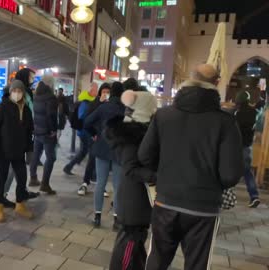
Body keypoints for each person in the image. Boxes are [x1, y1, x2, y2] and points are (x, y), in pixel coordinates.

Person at [140, 64, 244, 270]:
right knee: (197, 264)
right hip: (203, 209)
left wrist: (163, 175)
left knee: (157, 260)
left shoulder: (164, 115)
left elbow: (144, 156)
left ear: (189, 79)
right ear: (216, 83)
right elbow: (230, 174)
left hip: (166, 201)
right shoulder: (225, 122)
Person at [105, 90, 157, 270]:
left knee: (135, 241)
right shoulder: (132, 136)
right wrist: (156, 177)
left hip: (135, 198)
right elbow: (130, 169)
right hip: (133, 199)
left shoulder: (135, 133)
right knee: (130, 242)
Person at [0, 79, 35, 223]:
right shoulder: (1, 108)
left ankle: (20, 204)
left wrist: (29, 151)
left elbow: (29, 132)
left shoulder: (26, 110)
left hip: (18, 151)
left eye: (19, 91)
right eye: (14, 91)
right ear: (10, 92)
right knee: (1, 178)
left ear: (23, 93)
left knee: (22, 178)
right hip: (2, 151)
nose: (17, 93)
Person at [84, 82, 126, 228]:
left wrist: (95, 134)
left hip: (102, 147)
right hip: (119, 150)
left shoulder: (103, 107)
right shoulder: (126, 110)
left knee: (100, 183)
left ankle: (97, 216)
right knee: (117, 185)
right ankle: (116, 219)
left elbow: (87, 122)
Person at [30, 75, 59, 194]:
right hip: (47, 132)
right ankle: (45, 184)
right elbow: (51, 116)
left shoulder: (37, 95)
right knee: (51, 157)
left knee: (36, 154)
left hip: (38, 130)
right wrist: (53, 130)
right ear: (50, 84)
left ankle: (33, 178)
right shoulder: (50, 97)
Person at [234, 91, 260, 208]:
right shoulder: (254, 112)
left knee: (227, 170)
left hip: (236, 146)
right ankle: (254, 196)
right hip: (247, 146)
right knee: (247, 172)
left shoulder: (237, 113)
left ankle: (223, 196)